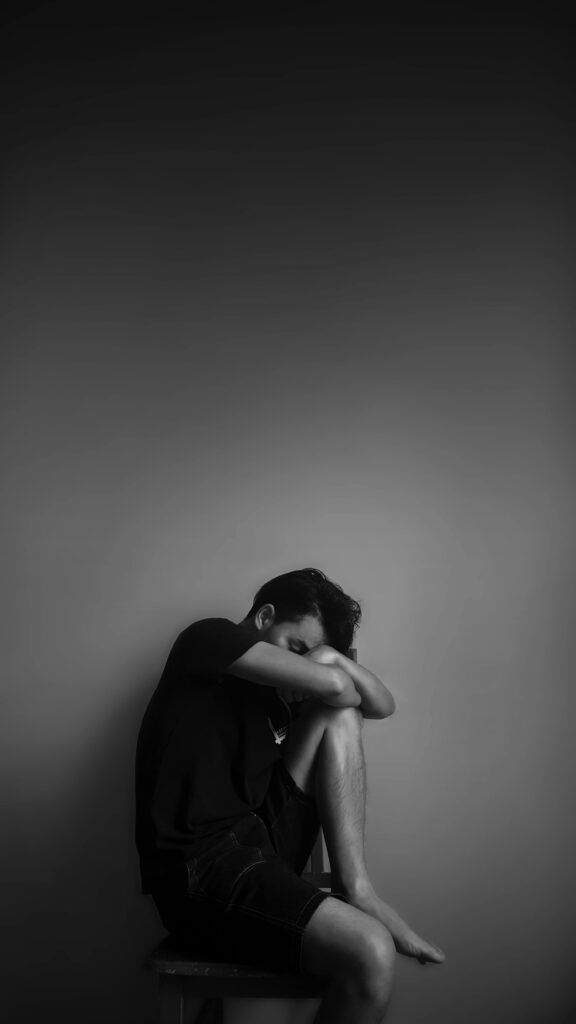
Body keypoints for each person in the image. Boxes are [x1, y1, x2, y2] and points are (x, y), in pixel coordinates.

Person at [135, 568, 445, 1023]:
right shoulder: (206, 639)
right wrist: (328, 665)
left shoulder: (280, 695)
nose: (303, 666)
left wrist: (330, 659)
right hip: (197, 867)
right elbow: (340, 688)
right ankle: (359, 909)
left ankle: (357, 888)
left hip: (256, 843)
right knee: (372, 950)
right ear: (264, 617)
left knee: (340, 718)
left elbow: (381, 704)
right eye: (297, 649)